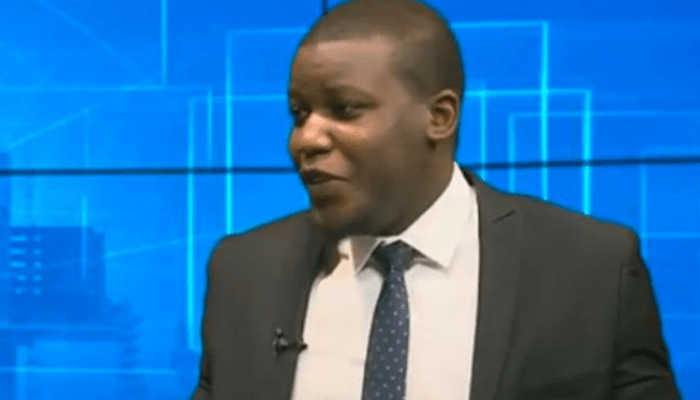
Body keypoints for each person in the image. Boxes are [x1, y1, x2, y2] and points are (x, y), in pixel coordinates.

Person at [191, 0, 682, 398]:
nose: (306, 139)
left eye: (344, 109)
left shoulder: (593, 268)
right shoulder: (242, 272)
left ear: (440, 117)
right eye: (300, 114)